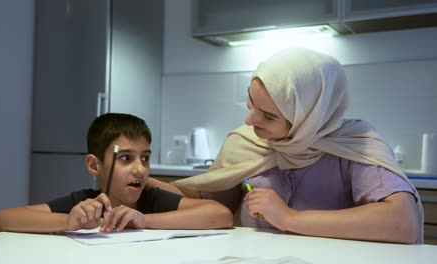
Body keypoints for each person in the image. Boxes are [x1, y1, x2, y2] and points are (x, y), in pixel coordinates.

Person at [148, 47, 423, 244]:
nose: (249, 120)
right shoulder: (245, 141)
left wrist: (289, 218)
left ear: (309, 118)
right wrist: (144, 183)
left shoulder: (355, 144)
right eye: (250, 103)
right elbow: (207, 202)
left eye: (268, 115)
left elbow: (402, 222)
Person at [0, 113, 233, 233]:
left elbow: (221, 215)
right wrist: (68, 221)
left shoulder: (152, 199)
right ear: (94, 165)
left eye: (145, 158)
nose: (140, 169)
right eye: (126, 158)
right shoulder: (84, 203)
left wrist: (145, 220)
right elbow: (0, 220)